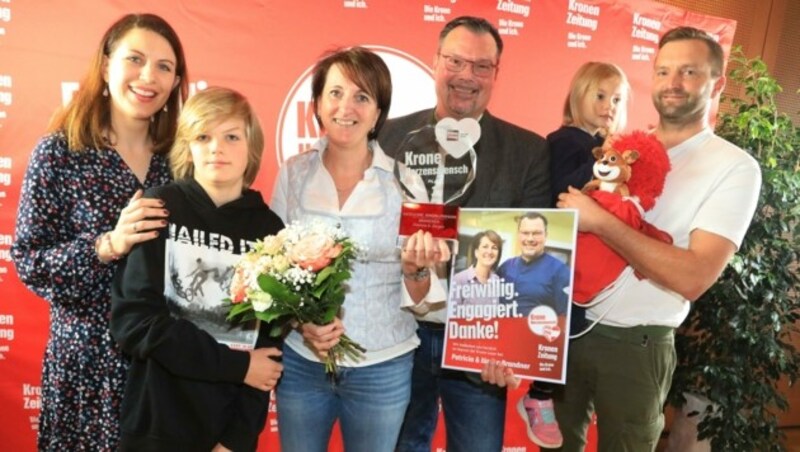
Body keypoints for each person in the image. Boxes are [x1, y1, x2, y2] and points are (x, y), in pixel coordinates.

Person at [553, 26, 762, 451]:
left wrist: (603, 223)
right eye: (664, 71)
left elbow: (694, 277)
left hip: (638, 343)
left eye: (689, 72)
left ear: (717, 82)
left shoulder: (733, 167)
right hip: (569, 325)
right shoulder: (624, 147)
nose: (672, 83)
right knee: (554, 443)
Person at [10, 13, 187, 451]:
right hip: (86, 370)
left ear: (176, 81)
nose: (149, 77)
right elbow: (30, 262)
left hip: (165, 367)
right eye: (135, 59)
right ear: (106, 66)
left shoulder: (183, 159)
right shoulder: (60, 153)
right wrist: (108, 245)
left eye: (164, 66)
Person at [378, 15, 550, 452]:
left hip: (480, 343)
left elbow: (530, 257)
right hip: (400, 332)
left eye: (481, 66)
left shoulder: (527, 151)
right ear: (435, 62)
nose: (466, 76)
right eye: (455, 61)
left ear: (496, 74)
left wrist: (512, 346)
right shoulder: (388, 136)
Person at [270, 47, 446, 452]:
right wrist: (301, 325)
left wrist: (417, 270)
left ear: (378, 112)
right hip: (301, 363)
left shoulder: (406, 184)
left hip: (383, 369)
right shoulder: (294, 174)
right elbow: (274, 270)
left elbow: (421, 299)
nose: (345, 107)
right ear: (317, 104)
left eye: (361, 97)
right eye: (335, 93)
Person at [110, 86, 284, 451]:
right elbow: (135, 324)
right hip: (155, 424)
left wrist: (236, 439)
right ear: (188, 146)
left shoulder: (270, 232)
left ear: (251, 147)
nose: (216, 147)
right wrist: (237, 367)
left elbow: (267, 353)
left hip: (225, 433)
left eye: (231, 136)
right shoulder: (158, 207)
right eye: (203, 136)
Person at [517, 61, 632, 449]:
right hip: (557, 254)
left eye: (617, 99)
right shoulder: (567, 140)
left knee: (566, 331)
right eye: (600, 95)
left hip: (577, 258)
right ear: (577, 95)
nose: (609, 106)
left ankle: (543, 393)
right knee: (558, 331)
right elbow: (565, 189)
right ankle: (539, 395)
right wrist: (609, 161)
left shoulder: (595, 145)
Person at [450, 230, 503, 306]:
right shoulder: (459, 279)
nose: (490, 251)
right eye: (485, 247)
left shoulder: (497, 281)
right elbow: (453, 314)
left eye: (494, 248)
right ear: (476, 252)